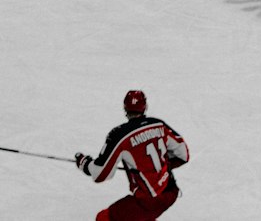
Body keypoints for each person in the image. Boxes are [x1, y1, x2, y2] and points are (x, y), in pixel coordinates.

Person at [75, 88, 188, 218]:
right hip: (170, 193)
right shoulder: (158, 124)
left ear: (125, 108)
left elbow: (101, 174)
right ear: (145, 107)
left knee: (103, 218)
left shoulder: (119, 135)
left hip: (147, 201)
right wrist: (162, 167)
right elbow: (183, 155)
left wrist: (85, 163)